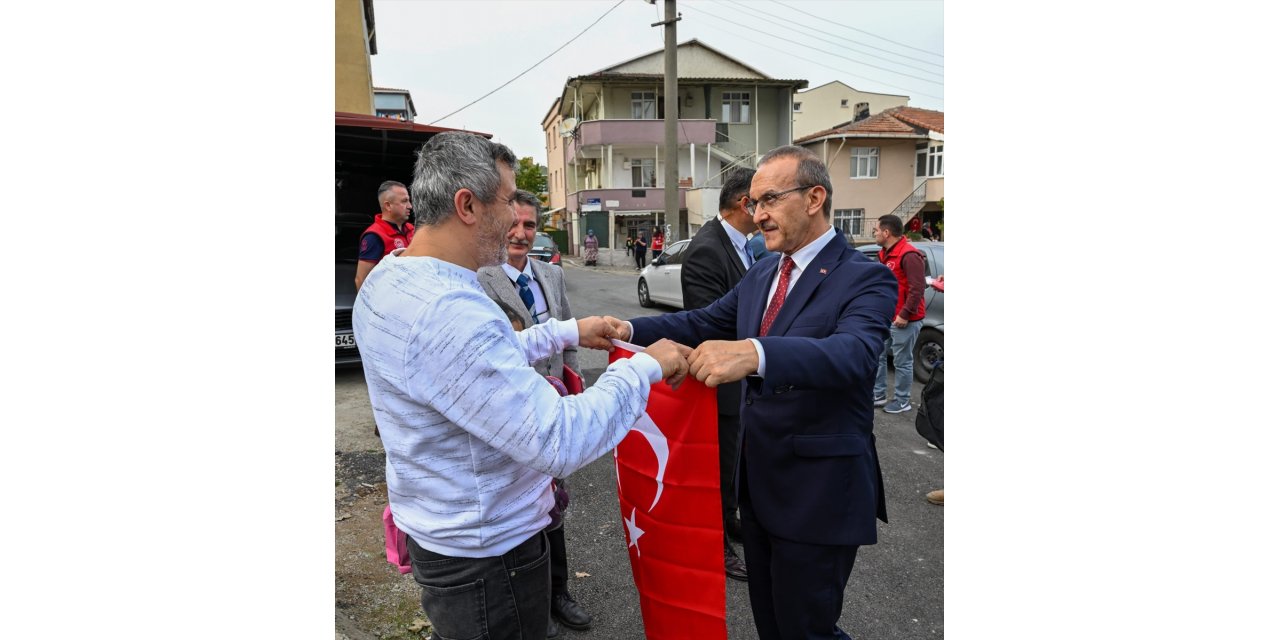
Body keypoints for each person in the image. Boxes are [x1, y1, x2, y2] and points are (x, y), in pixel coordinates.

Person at [352, 131, 691, 640]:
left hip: (449, 536)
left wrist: (566, 330)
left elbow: (469, 367)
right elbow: (557, 438)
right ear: (467, 204)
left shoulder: (393, 276)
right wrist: (646, 368)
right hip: (489, 560)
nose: (517, 218)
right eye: (509, 200)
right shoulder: (447, 311)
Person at [605, 145, 897, 640]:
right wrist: (625, 330)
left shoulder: (864, 277)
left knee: (808, 628)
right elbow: (705, 321)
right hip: (758, 486)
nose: (756, 213)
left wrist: (755, 354)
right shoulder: (765, 270)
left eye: (769, 200)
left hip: (817, 493)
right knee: (772, 623)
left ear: (814, 197)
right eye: (753, 202)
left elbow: (855, 355)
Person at [478, 192, 591, 636]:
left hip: (556, 406)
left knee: (555, 503)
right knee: (522, 506)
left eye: (529, 225)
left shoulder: (552, 274)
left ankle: (558, 592)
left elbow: (568, 339)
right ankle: (529, 601)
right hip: (511, 414)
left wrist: (575, 388)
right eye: (514, 224)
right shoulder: (480, 279)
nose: (521, 234)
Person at [678, 166, 758, 583]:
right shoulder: (708, 248)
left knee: (733, 465)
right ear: (746, 203)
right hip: (722, 384)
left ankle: (730, 521)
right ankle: (716, 544)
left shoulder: (743, 245)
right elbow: (708, 325)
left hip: (741, 382)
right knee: (716, 469)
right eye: (764, 200)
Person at [871, 214, 927, 414]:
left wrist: (903, 315)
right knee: (879, 356)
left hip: (906, 319)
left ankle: (902, 400)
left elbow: (917, 289)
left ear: (886, 233)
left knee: (902, 361)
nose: (875, 234)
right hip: (887, 316)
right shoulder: (884, 254)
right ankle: (878, 394)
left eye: (876, 230)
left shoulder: (909, 255)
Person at [355, 180, 415, 290]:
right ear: (388, 206)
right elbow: (361, 279)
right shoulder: (374, 236)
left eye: (409, 201)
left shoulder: (412, 230)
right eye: (404, 201)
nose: (410, 206)